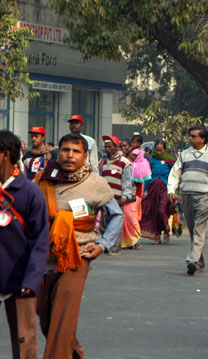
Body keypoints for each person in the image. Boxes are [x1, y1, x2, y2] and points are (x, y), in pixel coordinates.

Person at [35, 133, 122, 358]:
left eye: (76, 151)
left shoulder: (96, 183)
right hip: (44, 258)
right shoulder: (43, 179)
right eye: (65, 150)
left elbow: (116, 215)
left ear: (85, 156)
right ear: (58, 151)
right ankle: (74, 353)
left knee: (62, 318)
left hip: (78, 257)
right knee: (47, 320)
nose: (69, 155)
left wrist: (103, 245)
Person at [0, 130, 49, 359]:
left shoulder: (31, 193)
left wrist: (31, 280)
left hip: (20, 280)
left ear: (5, 155)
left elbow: (40, 241)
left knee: (25, 345)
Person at [168, 126, 208, 275]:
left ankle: (192, 259)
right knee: (192, 229)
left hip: (205, 196)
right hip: (187, 196)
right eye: (190, 136)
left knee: (198, 228)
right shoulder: (184, 155)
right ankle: (200, 261)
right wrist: (171, 190)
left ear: (202, 139)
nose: (190, 139)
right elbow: (175, 173)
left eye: (193, 136)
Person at [99, 135, 133, 255]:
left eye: (109, 146)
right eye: (105, 147)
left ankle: (115, 247)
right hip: (104, 197)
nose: (107, 149)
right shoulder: (102, 161)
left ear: (115, 147)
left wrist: (125, 196)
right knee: (103, 222)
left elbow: (127, 181)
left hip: (118, 197)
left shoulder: (124, 163)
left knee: (116, 222)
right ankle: (105, 244)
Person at [140, 140, 175, 244]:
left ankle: (166, 228)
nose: (159, 152)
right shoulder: (152, 160)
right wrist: (144, 190)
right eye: (157, 150)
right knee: (154, 212)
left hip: (165, 188)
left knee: (161, 210)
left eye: (161, 150)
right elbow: (148, 175)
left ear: (165, 149)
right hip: (153, 188)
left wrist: (175, 190)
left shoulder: (171, 161)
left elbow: (175, 176)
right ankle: (157, 235)